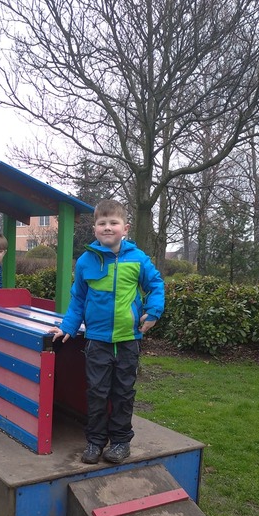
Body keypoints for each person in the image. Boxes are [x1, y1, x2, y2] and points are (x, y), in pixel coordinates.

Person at [50, 199, 165, 465]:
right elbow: (78, 299)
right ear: (95, 229)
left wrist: (153, 312)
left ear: (125, 228)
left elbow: (156, 285)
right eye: (102, 223)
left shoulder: (138, 259)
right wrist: (67, 327)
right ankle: (95, 442)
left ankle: (121, 442)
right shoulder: (86, 262)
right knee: (97, 392)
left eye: (114, 222)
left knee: (123, 393)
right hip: (97, 340)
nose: (108, 227)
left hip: (128, 340)